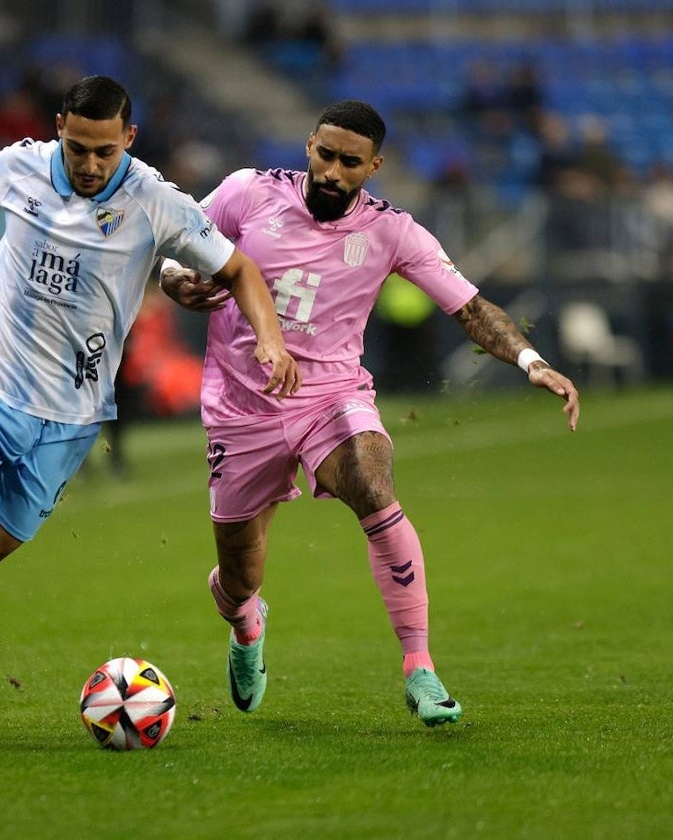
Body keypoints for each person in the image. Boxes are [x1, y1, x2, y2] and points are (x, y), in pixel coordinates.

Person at [0, 75, 300, 741]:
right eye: (77, 149)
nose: (90, 165)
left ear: (128, 138)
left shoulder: (155, 201)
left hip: (68, 422)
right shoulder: (26, 166)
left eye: (105, 151)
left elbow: (238, 268)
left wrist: (269, 338)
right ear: (60, 127)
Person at [159, 99, 580, 727]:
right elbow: (175, 249)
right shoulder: (247, 193)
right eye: (325, 155)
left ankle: (421, 667)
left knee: (372, 477)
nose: (333, 171)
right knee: (240, 575)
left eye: (349, 162)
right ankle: (247, 623)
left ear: (373, 166)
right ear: (309, 146)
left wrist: (529, 360)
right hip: (240, 406)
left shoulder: (392, 230)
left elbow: (467, 307)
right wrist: (175, 280)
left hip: (333, 394)